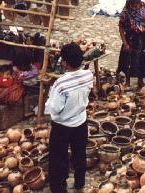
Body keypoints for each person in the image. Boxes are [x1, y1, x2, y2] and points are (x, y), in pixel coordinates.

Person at [46, 43, 93, 193]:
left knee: (58, 158)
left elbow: (54, 108)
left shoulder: (61, 84)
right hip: (80, 121)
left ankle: (59, 188)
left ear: (65, 62)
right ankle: (79, 183)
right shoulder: (88, 75)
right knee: (79, 154)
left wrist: (50, 95)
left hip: (62, 126)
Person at [117, 0, 145, 88]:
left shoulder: (144, 6)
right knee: (128, 61)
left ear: (139, 3)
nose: (134, 8)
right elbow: (121, 28)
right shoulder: (125, 13)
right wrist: (125, 43)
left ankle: (140, 80)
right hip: (131, 38)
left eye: (136, 6)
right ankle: (127, 81)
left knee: (143, 59)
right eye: (132, 6)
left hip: (143, 37)